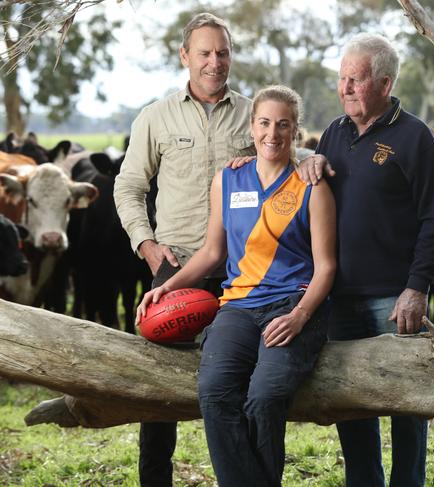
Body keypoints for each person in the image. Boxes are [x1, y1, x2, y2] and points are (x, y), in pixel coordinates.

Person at [136, 85, 336, 487]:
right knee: (213, 392)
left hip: (292, 304)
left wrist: (299, 317)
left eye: (283, 125)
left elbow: (327, 268)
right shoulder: (227, 179)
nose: (272, 134)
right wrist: (166, 288)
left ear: (296, 130)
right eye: (264, 123)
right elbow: (212, 253)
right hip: (239, 307)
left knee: (263, 396)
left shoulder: (312, 187)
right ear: (252, 126)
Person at [296, 33, 434, 486]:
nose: (345, 88)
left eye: (356, 79)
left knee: (409, 405)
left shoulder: (415, 137)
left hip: (394, 298)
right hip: (339, 297)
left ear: (384, 83)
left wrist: (416, 287)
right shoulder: (335, 132)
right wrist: (310, 161)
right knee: (352, 407)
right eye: (342, 78)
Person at [114, 13, 255, 487]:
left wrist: (312, 157)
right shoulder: (155, 116)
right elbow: (129, 186)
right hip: (176, 267)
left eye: (223, 52)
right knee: (158, 395)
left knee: (243, 384)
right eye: (204, 53)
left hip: (241, 269)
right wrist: (147, 245)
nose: (214, 62)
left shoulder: (255, 115)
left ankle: (243, 476)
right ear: (185, 57)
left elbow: (289, 170)